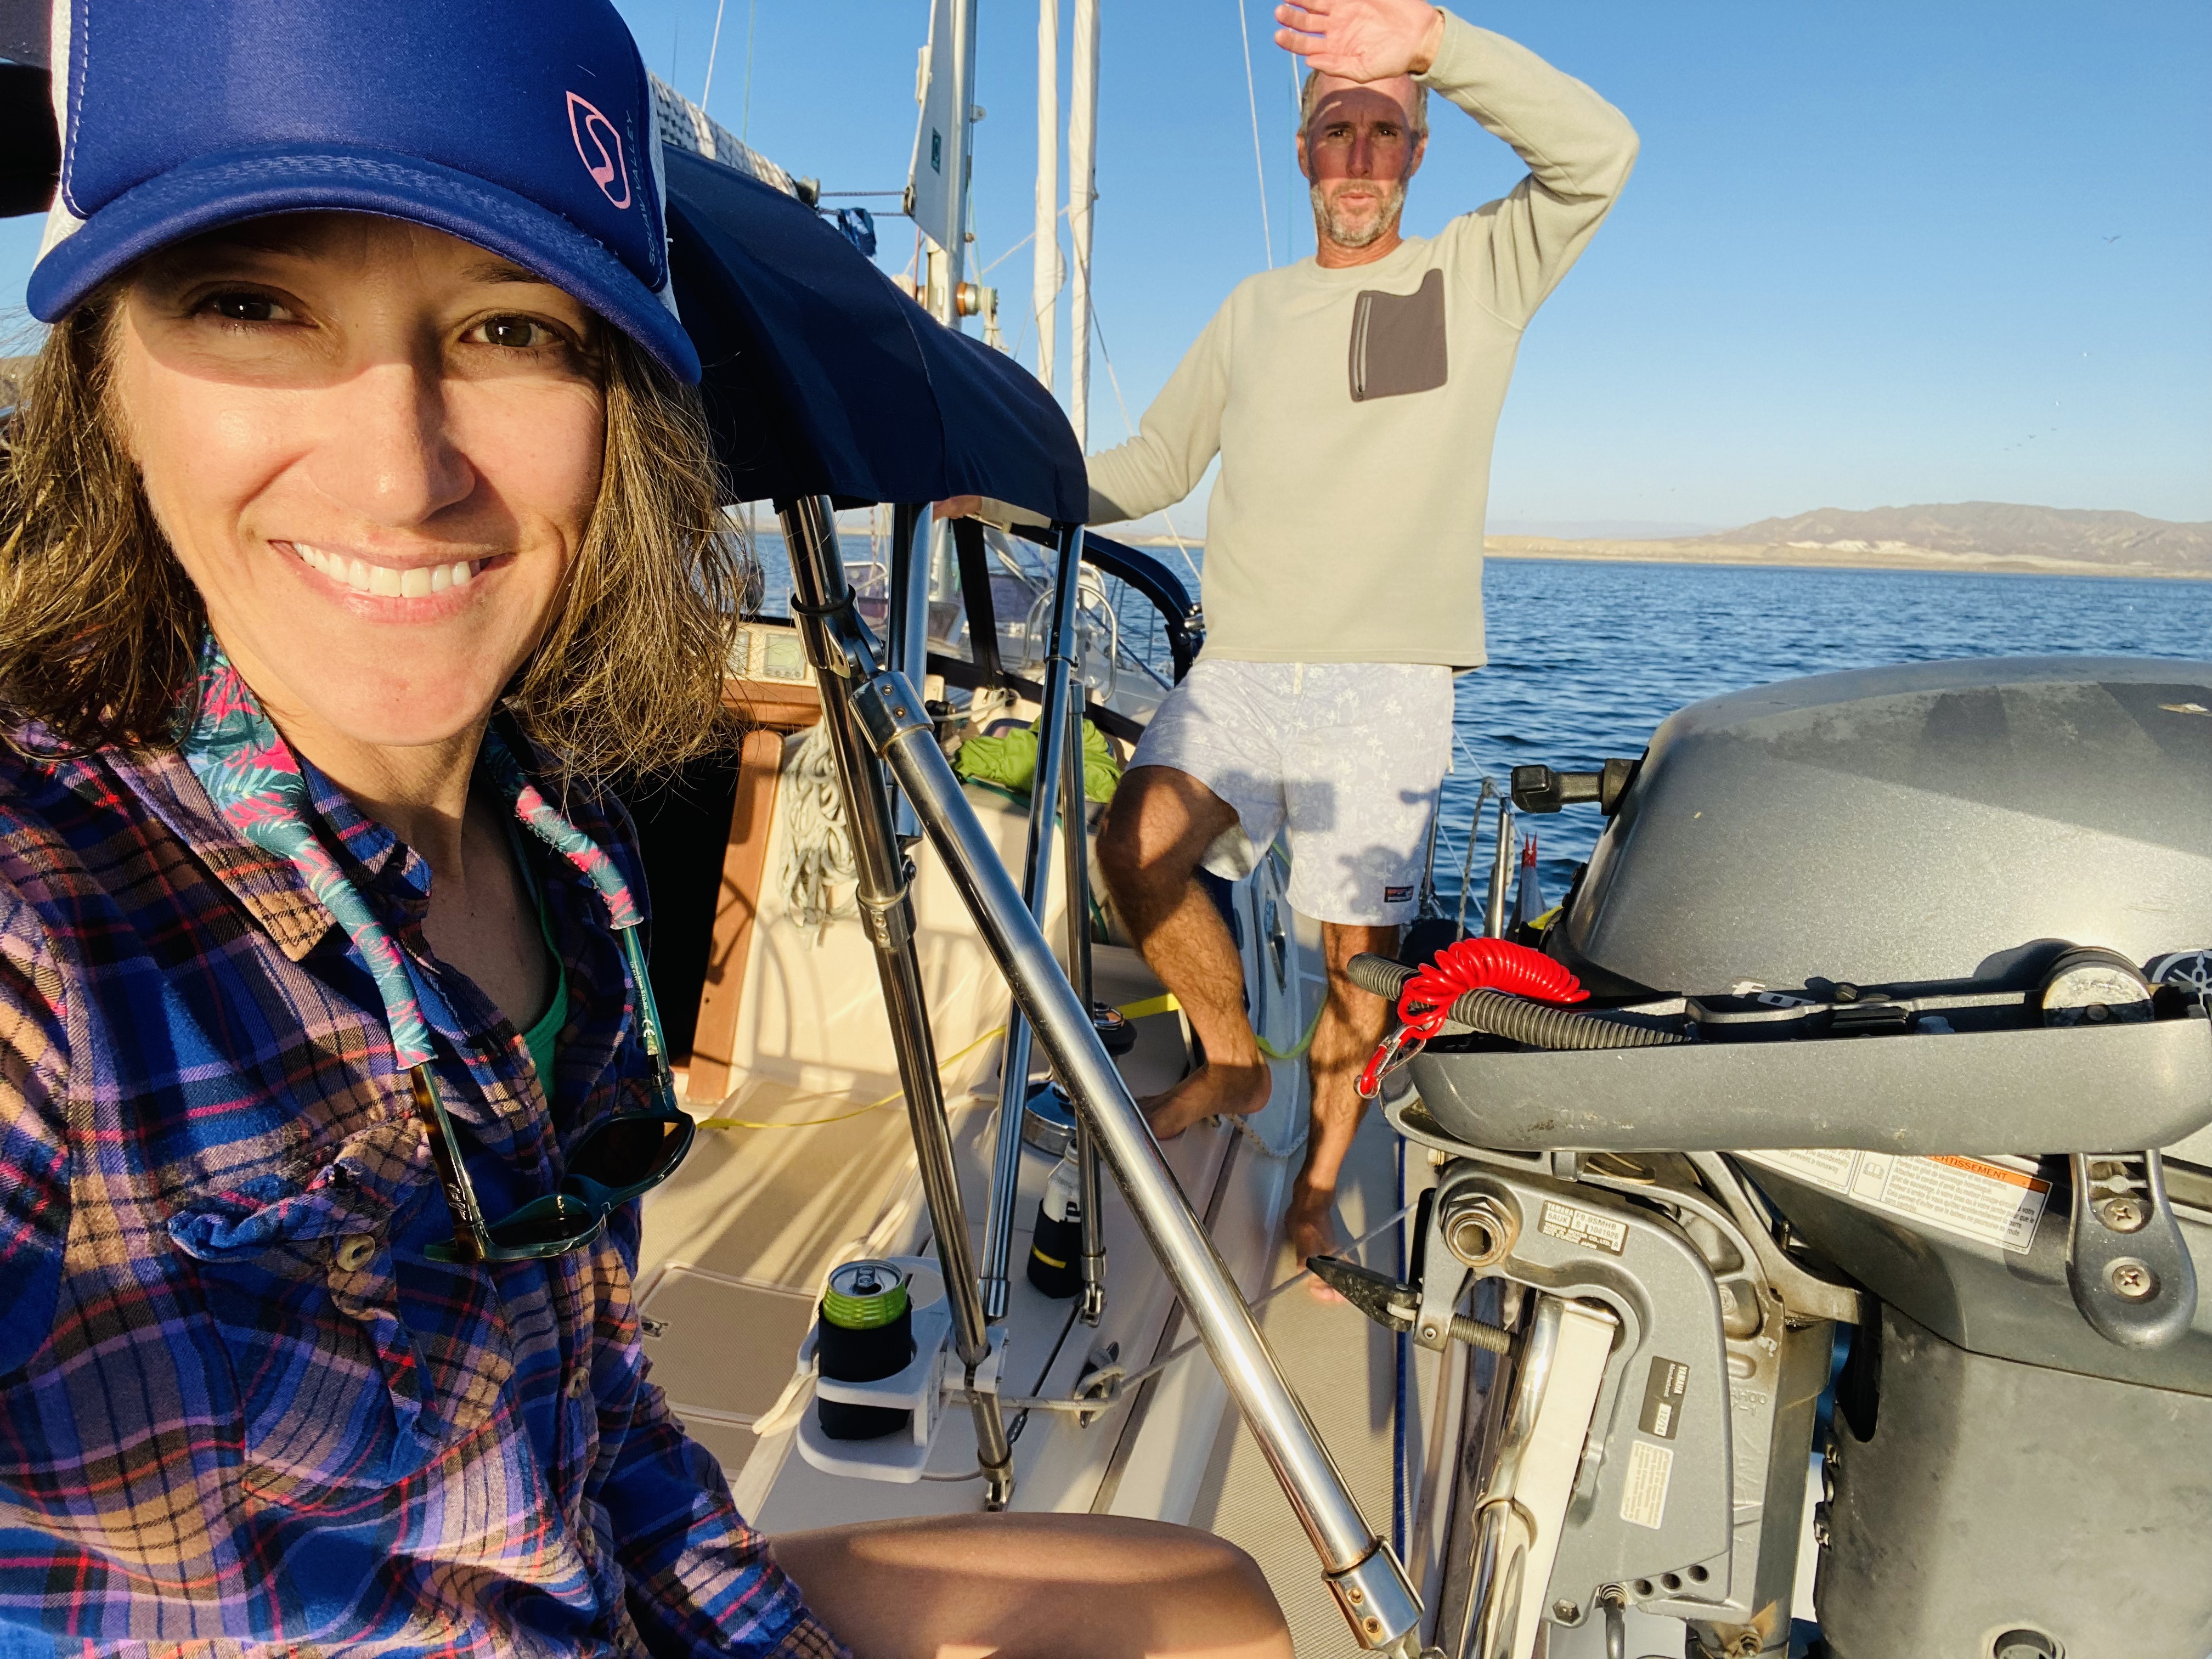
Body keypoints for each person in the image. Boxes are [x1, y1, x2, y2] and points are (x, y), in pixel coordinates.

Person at [0, 4, 1288, 1655]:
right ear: (104, 384)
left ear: (621, 413)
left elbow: (589, 1420)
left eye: (508, 330)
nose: (401, 476)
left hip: (582, 1589)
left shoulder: (565, 850)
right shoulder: (49, 910)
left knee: (1209, 1607)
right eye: (253, 307)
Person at [952, 0, 1637, 1274]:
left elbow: (1601, 154)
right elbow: (1153, 466)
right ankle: (1231, 1062)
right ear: (1305, 151)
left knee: (1355, 962)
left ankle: (1318, 1185)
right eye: (1337, 130)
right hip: (1246, 670)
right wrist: (1003, 496)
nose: (1361, 156)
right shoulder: (1253, 310)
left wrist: (1435, 44)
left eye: (1386, 130)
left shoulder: (1473, 278)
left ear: (1419, 150)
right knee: (1134, 845)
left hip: (1388, 683)